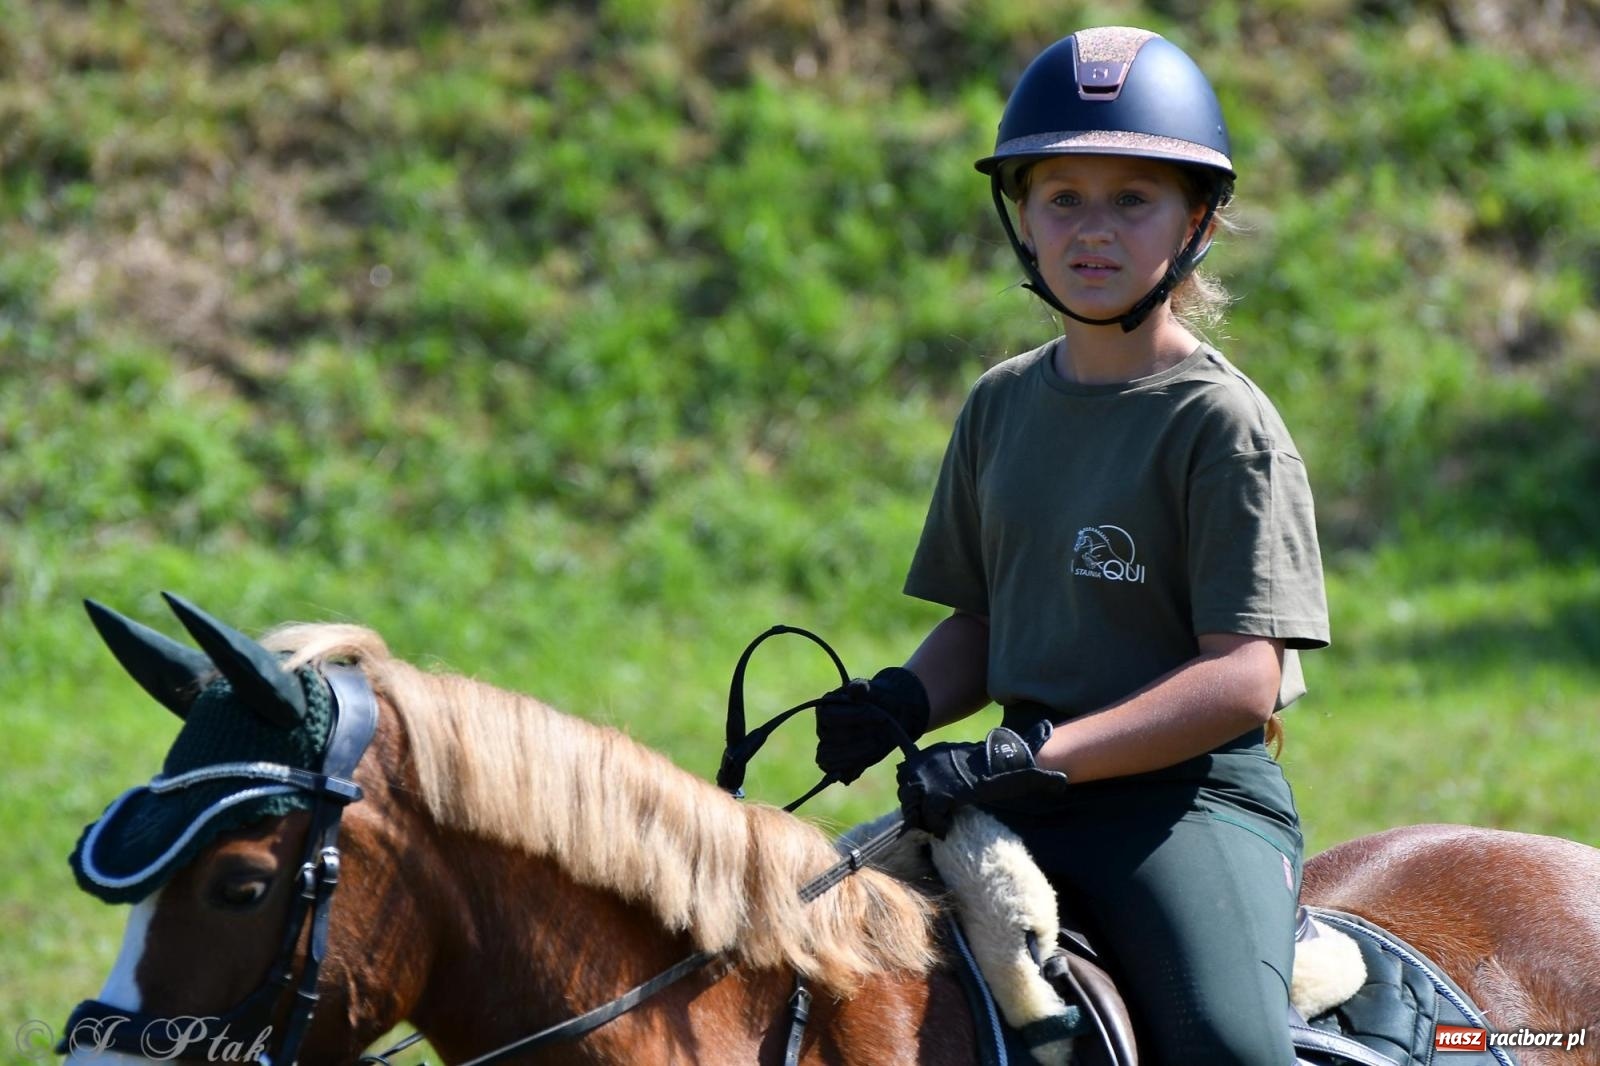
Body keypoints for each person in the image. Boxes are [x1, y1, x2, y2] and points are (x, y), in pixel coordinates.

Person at [813, 26, 1329, 1066]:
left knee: (1225, 1043)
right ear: (1023, 219)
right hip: (1010, 789)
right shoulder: (999, 403)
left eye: (1131, 199)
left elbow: (1242, 679)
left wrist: (1036, 755)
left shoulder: (1221, 423)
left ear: (1196, 222)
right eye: (1062, 198)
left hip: (1182, 806)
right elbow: (984, 620)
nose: (1092, 231)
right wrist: (903, 701)